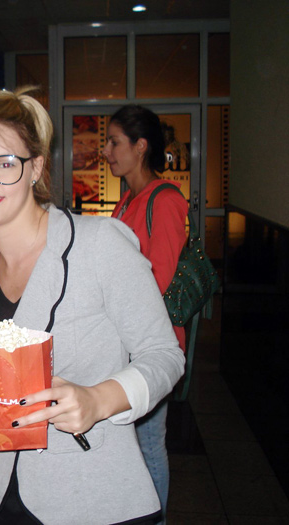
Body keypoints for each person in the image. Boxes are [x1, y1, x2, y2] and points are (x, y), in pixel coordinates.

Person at [0, 87, 185, 524]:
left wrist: (98, 400)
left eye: (4, 164)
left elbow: (165, 357)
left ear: (35, 167)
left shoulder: (98, 246)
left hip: (91, 499)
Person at [104, 104, 189, 522]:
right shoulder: (129, 201)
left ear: (140, 147)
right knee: (135, 442)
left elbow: (158, 276)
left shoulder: (165, 200)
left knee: (150, 441)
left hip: (151, 344)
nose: (107, 151)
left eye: (114, 142)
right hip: (126, 341)